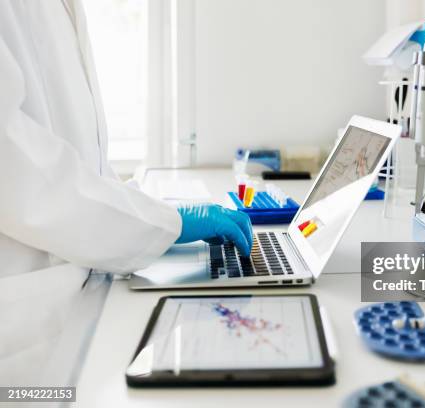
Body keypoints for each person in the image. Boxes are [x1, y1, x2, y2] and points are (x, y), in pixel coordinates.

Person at [0, 0, 252, 279]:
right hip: (30, 297)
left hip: (79, 277)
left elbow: (85, 165)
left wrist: (152, 220)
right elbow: (18, 176)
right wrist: (164, 223)